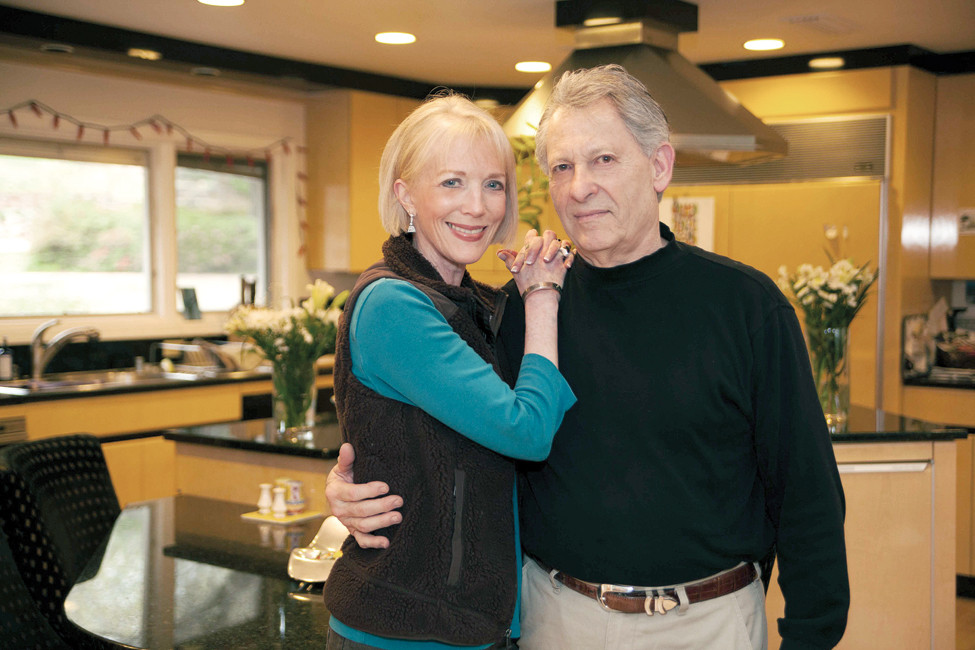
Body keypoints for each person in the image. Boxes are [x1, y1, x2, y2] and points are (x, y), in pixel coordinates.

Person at [326, 65, 849, 650]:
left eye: (603, 160)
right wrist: (352, 483)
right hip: (554, 619)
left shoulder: (746, 307)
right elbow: (450, 439)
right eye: (562, 167)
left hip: (707, 623)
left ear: (659, 167)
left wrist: (811, 636)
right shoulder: (523, 309)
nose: (579, 188)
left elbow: (805, 491)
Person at [322, 92, 577, 650]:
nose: (478, 206)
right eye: (452, 182)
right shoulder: (394, 306)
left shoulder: (470, 303)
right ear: (405, 194)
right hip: (404, 629)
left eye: (493, 184)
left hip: (466, 623)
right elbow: (527, 431)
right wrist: (542, 299)